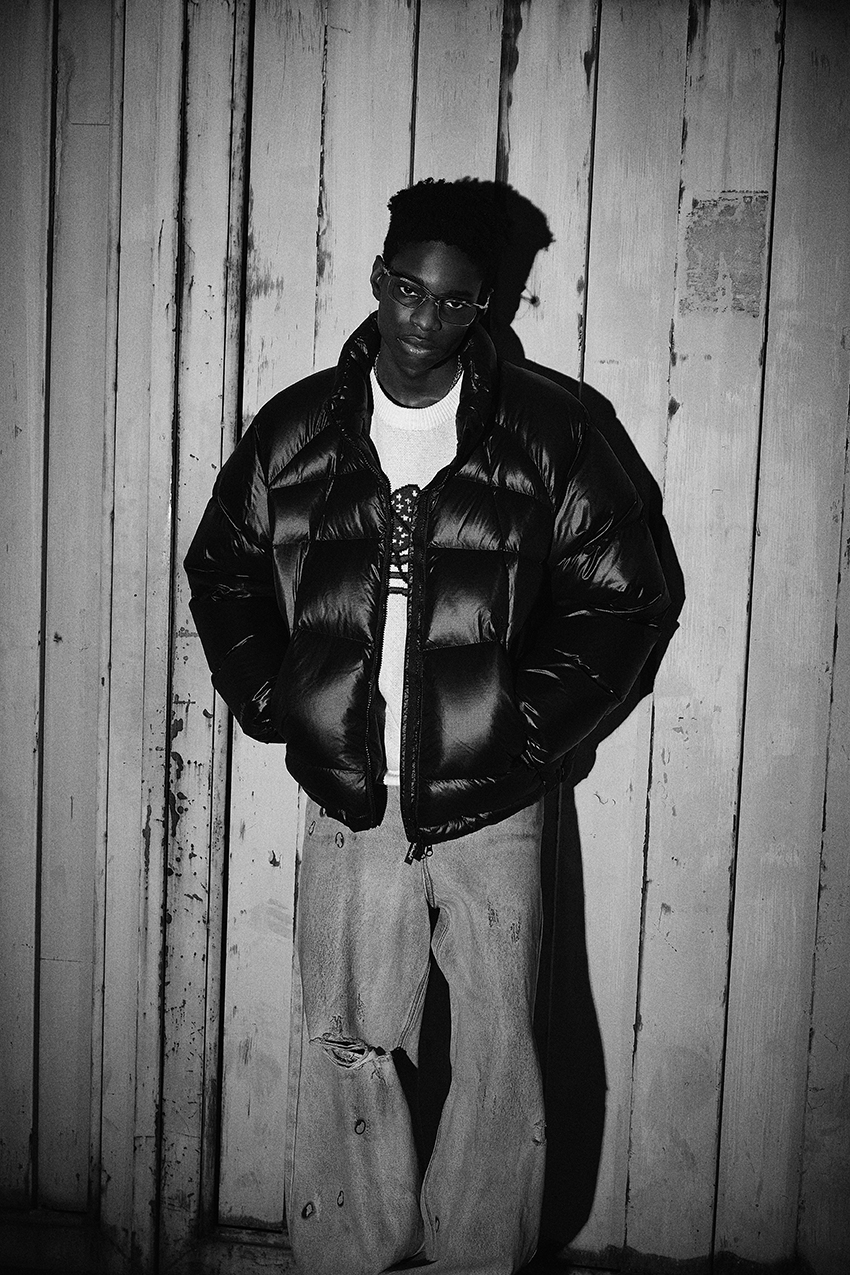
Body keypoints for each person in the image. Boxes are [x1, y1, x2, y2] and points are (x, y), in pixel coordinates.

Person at [185, 178, 670, 1275]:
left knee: (500, 1057)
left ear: (485, 304)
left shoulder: (548, 431)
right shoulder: (300, 427)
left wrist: (520, 730)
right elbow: (222, 569)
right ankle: (350, 1258)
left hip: (491, 802)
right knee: (345, 1041)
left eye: (455, 302)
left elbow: (626, 600)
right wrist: (274, 701)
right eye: (408, 290)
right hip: (353, 796)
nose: (424, 320)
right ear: (378, 278)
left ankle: (477, 1262)